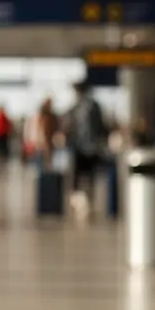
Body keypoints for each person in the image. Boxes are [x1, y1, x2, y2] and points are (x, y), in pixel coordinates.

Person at [64, 81, 107, 217]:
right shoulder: (94, 106)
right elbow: (101, 127)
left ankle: (82, 202)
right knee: (89, 177)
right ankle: (87, 202)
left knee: (77, 178)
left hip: (80, 147)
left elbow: (69, 127)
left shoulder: (75, 108)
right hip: (91, 147)